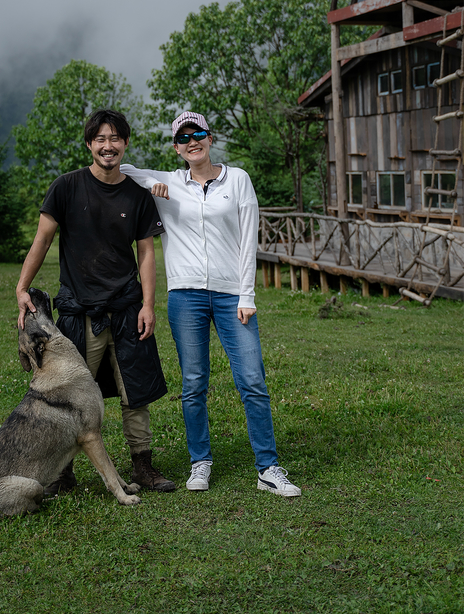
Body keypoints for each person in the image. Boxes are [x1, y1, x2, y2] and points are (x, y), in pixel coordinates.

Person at [121, 110, 300, 497]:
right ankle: (200, 462)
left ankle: (268, 467)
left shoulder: (237, 179)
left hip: (232, 295)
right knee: (194, 383)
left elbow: (248, 240)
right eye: (184, 138)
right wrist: (152, 182)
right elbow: (127, 167)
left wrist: (247, 295)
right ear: (176, 147)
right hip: (185, 296)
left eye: (197, 133)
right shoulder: (170, 182)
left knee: (252, 379)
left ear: (209, 137)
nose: (192, 142)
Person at [16, 108, 175, 493]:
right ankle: (63, 473)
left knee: (134, 391)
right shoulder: (66, 188)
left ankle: (143, 466)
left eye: (115, 138)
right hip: (78, 312)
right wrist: (22, 287)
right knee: (67, 393)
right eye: (100, 139)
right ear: (90, 144)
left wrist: (149, 305)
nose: (108, 146)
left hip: (126, 310)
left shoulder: (137, 196)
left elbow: (147, 254)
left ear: (124, 143)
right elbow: (43, 240)